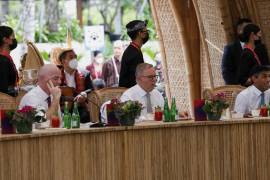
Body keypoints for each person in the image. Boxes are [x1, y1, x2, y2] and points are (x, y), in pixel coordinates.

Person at [221, 18, 269, 85]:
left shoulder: (261, 47)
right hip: (239, 88)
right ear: (239, 31)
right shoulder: (230, 48)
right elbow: (226, 72)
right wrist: (237, 87)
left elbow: (266, 66)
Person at [58, 48, 92, 123]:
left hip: (80, 108)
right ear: (63, 61)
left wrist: (84, 93)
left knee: (86, 117)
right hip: (62, 109)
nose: (74, 59)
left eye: (75, 57)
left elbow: (91, 89)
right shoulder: (56, 75)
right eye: (71, 57)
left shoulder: (85, 73)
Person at [119, 20, 149, 88]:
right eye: (146, 31)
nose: (147, 33)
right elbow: (136, 81)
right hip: (132, 96)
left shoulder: (133, 50)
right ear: (140, 33)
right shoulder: (134, 54)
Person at [0, 25, 19, 96]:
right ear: (5, 40)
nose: (14, 38)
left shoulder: (5, 58)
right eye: (12, 36)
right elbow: (3, 90)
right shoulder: (2, 61)